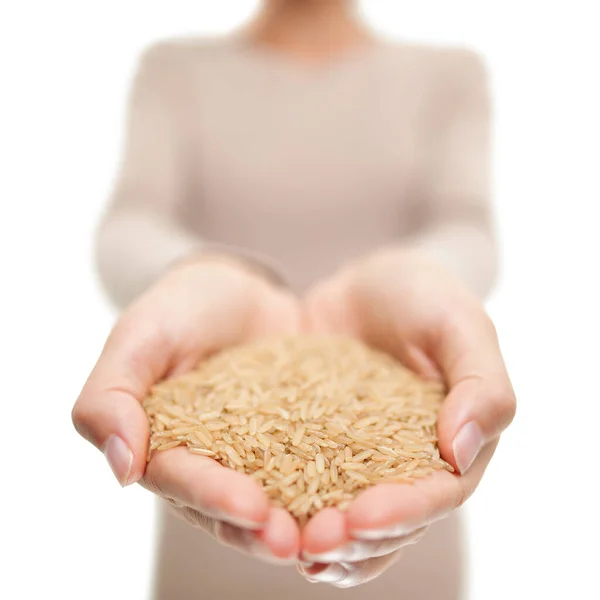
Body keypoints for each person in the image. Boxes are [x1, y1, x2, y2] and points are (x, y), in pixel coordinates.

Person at [72, 1, 516, 598]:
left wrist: (422, 273)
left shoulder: (446, 72)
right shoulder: (175, 68)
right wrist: (193, 272)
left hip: (399, 502)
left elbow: (468, 227)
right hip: (216, 502)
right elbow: (131, 222)